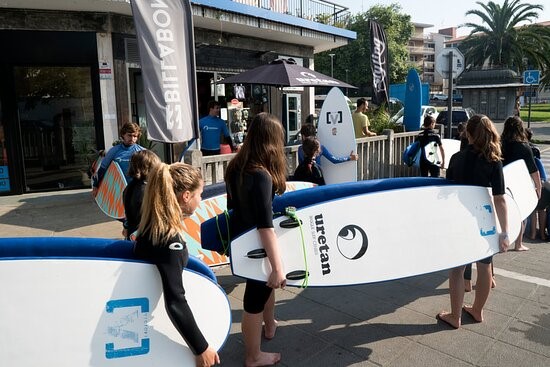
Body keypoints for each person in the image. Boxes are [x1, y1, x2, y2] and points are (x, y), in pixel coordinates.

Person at [134, 162, 220, 367]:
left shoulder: (149, 227)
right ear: (186, 196)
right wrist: (201, 348)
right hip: (154, 325)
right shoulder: (170, 240)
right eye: (199, 194)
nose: (201, 200)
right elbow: (175, 301)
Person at [225, 112, 286, 367]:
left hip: (241, 240)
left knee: (263, 287)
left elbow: (234, 208)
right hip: (257, 244)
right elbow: (265, 226)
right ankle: (254, 356)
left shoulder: (236, 167)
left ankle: (269, 324)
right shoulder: (261, 174)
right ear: (272, 140)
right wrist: (278, 266)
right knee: (254, 299)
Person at [437, 114, 510, 329]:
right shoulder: (493, 160)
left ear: (468, 134)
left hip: (460, 220)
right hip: (484, 218)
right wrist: (505, 232)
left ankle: (455, 316)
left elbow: (446, 192)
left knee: (457, 270)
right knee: (484, 266)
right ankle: (477, 311)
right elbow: (500, 199)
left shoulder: (456, 159)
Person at [501, 115, 542, 251]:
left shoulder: (499, 144)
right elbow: (534, 171)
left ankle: (502, 242)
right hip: (518, 185)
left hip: (501, 182)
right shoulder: (524, 147)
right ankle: (518, 244)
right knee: (520, 214)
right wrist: (538, 188)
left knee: (502, 213)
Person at [92, 122, 146, 195]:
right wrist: (95, 186)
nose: (132, 138)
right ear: (123, 134)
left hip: (136, 189)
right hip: (118, 190)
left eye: (135, 136)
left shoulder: (142, 151)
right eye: (129, 135)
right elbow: (102, 170)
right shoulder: (114, 151)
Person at [122, 150, 161, 240]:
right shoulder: (145, 190)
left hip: (133, 232)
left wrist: (126, 226)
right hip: (144, 236)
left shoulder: (130, 187)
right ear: (148, 168)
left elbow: (128, 213)